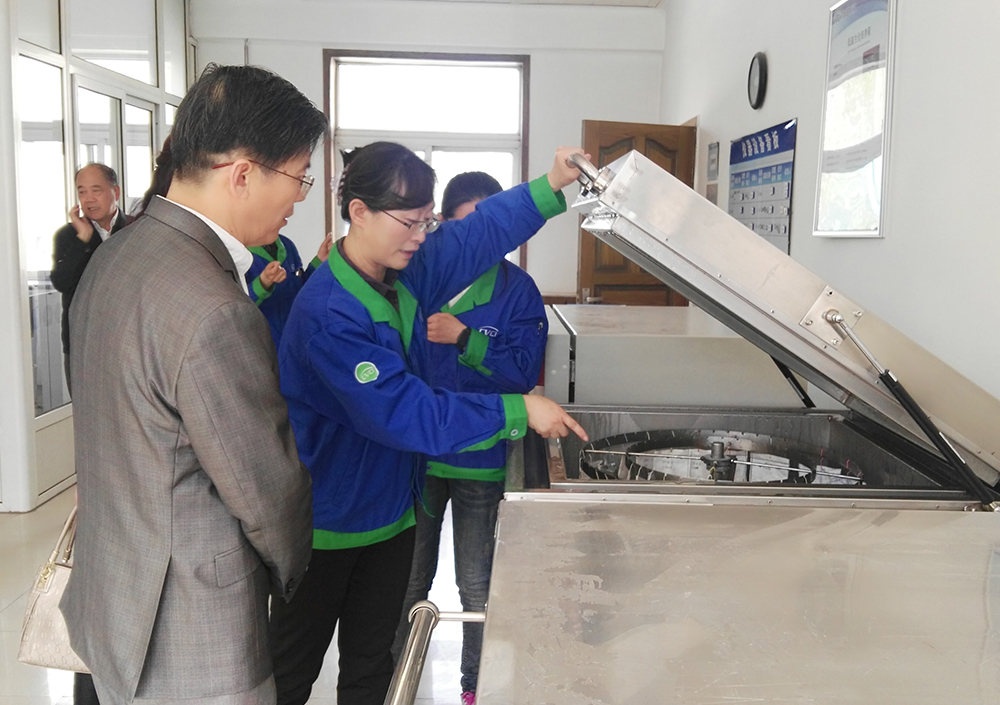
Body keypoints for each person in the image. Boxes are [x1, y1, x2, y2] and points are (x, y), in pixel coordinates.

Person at [269, 141, 588, 705]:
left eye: (427, 222)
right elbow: (404, 411)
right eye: (409, 222)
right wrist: (518, 408)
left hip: (393, 514)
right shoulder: (329, 314)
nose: (421, 235)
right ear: (359, 211)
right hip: (328, 526)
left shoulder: (405, 273)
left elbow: (477, 234)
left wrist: (550, 184)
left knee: (373, 666)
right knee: (291, 672)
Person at [60, 64, 324, 705]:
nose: (298, 199)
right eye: (299, 177)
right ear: (243, 174)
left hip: (113, 601)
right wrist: (293, 570)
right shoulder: (213, 307)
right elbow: (265, 491)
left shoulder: (117, 254)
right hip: (189, 634)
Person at [390, 171, 546, 704]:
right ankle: (397, 682)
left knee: (477, 585)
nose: (479, 243)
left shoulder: (517, 291)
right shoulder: (417, 280)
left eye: (489, 230)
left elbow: (521, 374)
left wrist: (466, 339)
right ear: (443, 229)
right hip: (419, 460)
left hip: (481, 460)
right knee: (410, 582)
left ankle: (475, 687)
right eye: (466, 230)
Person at [49, 163, 128, 385]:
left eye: (96, 190)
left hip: (127, 341)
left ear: (116, 192)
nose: (89, 199)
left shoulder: (136, 229)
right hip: (82, 341)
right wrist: (82, 239)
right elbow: (62, 282)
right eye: (82, 192)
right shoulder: (68, 235)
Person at [246, 231, 333, 349]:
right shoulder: (238, 251)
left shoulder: (286, 244)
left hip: (294, 340)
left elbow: (299, 290)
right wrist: (262, 283)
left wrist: (319, 262)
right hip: (260, 345)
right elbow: (235, 304)